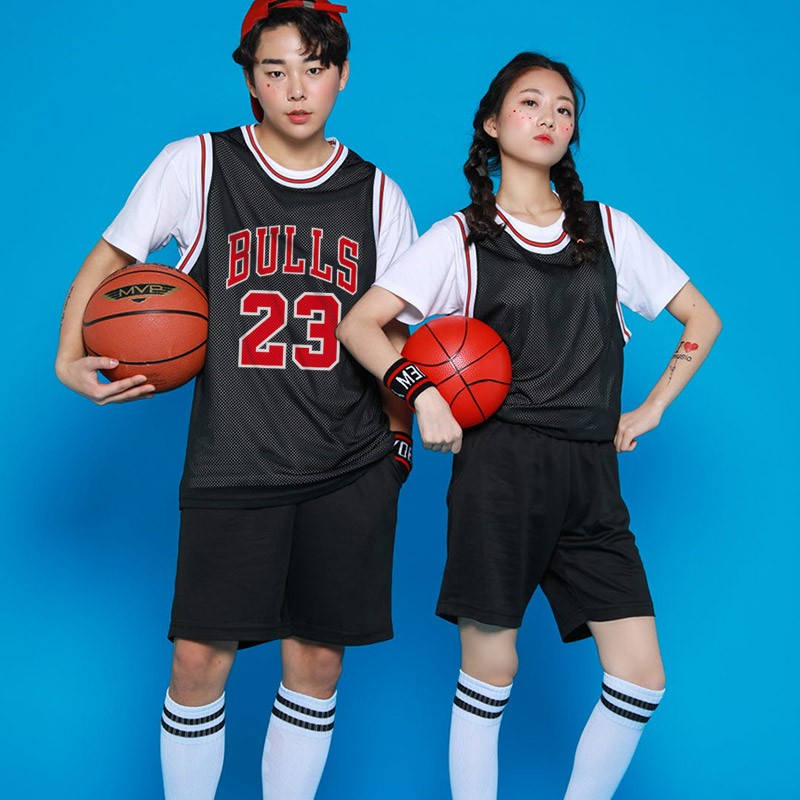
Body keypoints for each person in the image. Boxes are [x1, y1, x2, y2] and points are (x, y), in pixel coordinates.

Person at [336, 52, 721, 799]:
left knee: (641, 677)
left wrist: (652, 406)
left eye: (564, 110)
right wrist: (422, 394)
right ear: (491, 123)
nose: (548, 118)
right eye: (530, 103)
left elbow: (701, 319)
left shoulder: (609, 231)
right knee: (491, 673)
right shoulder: (461, 238)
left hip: (591, 474)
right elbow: (361, 325)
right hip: (500, 470)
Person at [55, 2, 416, 798]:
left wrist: (398, 445)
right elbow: (112, 255)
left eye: (314, 69)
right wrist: (66, 353)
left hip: (348, 462)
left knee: (317, 662)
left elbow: (396, 336)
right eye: (275, 70)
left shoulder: (377, 194)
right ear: (250, 79)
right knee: (197, 660)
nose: (297, 89)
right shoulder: (197, 164)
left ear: (342, 75)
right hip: (235, 455)